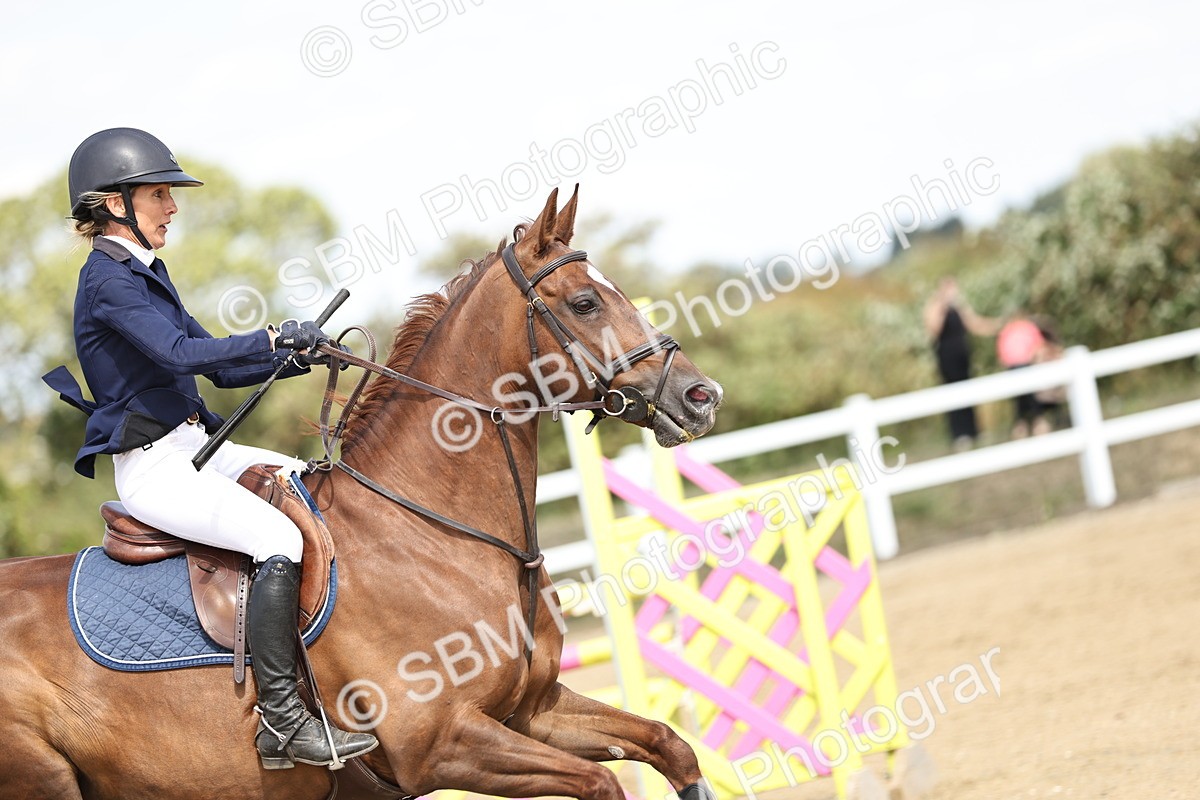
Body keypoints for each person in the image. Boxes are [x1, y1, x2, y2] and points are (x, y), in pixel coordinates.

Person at [41, 128, 377, 770]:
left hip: (197, 445)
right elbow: (177, 355)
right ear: (116, 205)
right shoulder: (108, 284)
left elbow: (217, 371)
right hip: (156, 470)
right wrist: (272, 336)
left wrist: (296, 355)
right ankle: (280, 723)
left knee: (314, 485)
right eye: (160, 195)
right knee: (277, 540)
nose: (172, 207)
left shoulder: (146, 274)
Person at [923, 277, 999, 450]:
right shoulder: (934, 306)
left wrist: (998, 326)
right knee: (952, 393)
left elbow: (974, 324)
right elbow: (934, 329)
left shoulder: (959, 307)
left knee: (968, 390)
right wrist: (942, 304)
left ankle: (973, 431)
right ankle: (959, 434)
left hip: (962, 355)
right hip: (946, 357)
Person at [996, 312, 1048, 438]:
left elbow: (1038, 346)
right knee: (1023, 396)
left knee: (1026, 395)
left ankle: (1025, 424)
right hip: (1015, 367)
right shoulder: (1009, 331)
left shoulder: (1024, 328)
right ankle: (1033, 422)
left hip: (1025, 365)